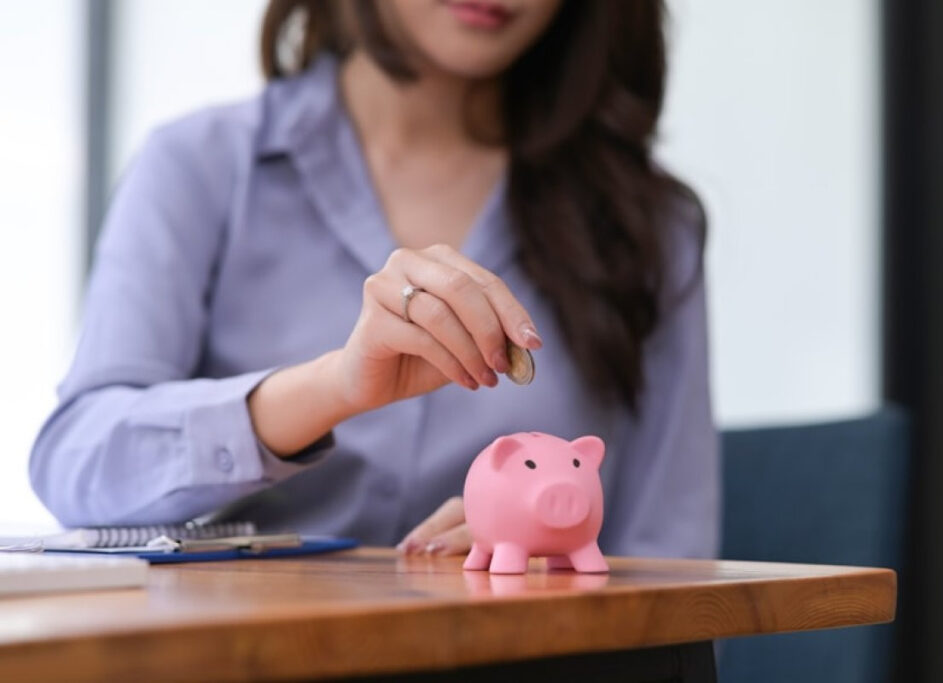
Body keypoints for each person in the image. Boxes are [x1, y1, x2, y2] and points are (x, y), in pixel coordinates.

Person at [30, 0, 718, 559]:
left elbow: (678, 571)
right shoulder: (198, 168)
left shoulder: (649, 226)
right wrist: (327, 389)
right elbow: (77, 465)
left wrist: (560, 554)